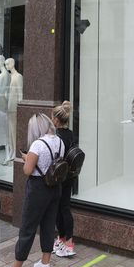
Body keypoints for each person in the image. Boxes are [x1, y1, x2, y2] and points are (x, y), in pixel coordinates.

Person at [0, 114, 65, 267]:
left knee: (27, 228)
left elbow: (28, 171)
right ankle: (45, 264)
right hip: (55, 187)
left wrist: (26, 159)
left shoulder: (37, 144)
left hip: (38, 189)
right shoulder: (59, 141)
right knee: (48, 225)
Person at [52, 101, 77, 258]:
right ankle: (64, 240)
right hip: (69, 176)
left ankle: (67, 242)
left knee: (59, 209)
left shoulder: (57, 136)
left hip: (59, 177)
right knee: (64, 207)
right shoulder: (70, 134)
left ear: (56, 120)